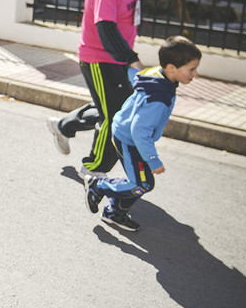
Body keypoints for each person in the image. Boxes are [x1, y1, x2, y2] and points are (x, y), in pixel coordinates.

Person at [47, 0, 146, 177]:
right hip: (101, 59)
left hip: (115, 58)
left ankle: (63, 125)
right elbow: (105, 27)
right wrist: (131, 59)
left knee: (111, 106)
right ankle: (93, 169)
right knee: (115, 117)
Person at [86, 36, 201, 232]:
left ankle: (115, 212)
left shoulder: (157, 75)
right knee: (143, 183)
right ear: (172, 68)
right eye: (191, 69)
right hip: (129, 140)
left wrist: (129, 66)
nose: (195, 74)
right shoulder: (159, 96)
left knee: (142, 181)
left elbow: (135, 75)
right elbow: (139, 130)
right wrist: (153, 159)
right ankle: (99, 185)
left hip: (126, 132)